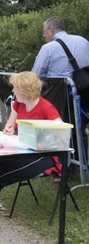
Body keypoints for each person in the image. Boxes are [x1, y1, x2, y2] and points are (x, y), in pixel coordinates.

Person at [0, 71, 63, 227]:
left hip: (45, 158)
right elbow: (9, 127)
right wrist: (9, 130)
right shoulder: (18, 104)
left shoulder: (47, 108)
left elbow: (60, 134)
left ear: (25, 91)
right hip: (22, 152)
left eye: (15, 88)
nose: (12, 91)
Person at [31, 16, 89, 174]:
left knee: (60, 132)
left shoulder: (48, 48)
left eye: (44, 32)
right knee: (79, 129)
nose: (44, 36)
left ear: (51, 30)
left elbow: (35, 75)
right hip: (83, 92)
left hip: (61, 95)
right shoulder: (83, 41)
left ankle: (65, 170)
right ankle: (81, 166)